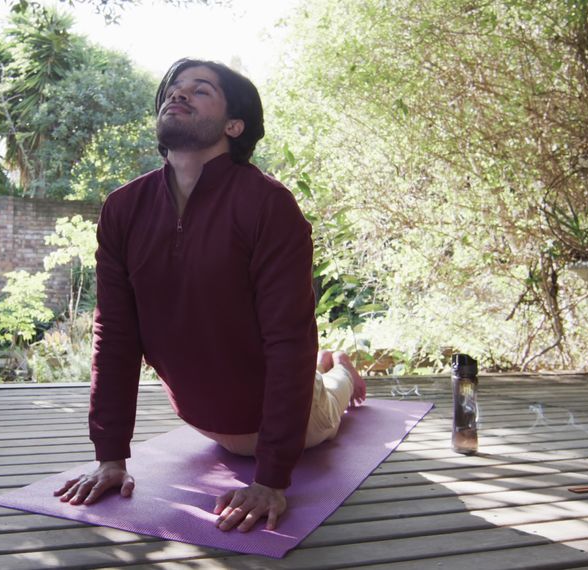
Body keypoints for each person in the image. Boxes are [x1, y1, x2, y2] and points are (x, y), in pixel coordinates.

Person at [53, 59, 367, 533]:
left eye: (200, 91)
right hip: (203, 422)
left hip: (289, 427)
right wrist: (110, 458)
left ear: (233, 125)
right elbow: (114, 336)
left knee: (329, 399)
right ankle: (329, 369)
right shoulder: (124, 208)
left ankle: (342, 371)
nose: (177, 95)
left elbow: (288, 340)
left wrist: (271, 480)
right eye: (174, 89)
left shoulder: (269, 206)